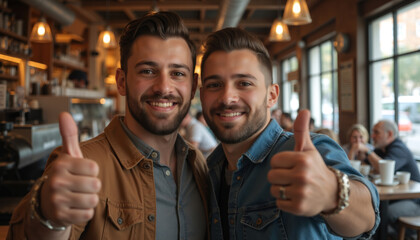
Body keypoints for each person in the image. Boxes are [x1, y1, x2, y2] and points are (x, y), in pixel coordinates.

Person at [7, 12, 209, 240]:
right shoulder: (82, 163)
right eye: (147, 71)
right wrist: (47, 217)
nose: (164, 86)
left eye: (177, 73)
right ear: (122, 82)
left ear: (192, 87)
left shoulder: (198, 164)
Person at [199, 27, 379, 239]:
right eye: (214, 85)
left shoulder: (306, 151)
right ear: (202, 95)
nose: (227, 98)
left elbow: (367, 217)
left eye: (244, 83)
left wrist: (332, 193)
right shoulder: (208, 170)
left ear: (272, 95)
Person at [358, 119, 420, 233]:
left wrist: (367, 150)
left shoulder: (399, 148)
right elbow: (364, 164)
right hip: (394, 198)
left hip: (413, 201)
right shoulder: (382, 149)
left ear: (390, 134)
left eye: (376, 132)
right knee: (369, 209)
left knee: (383, 214)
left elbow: (383, 168)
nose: (372, 136)